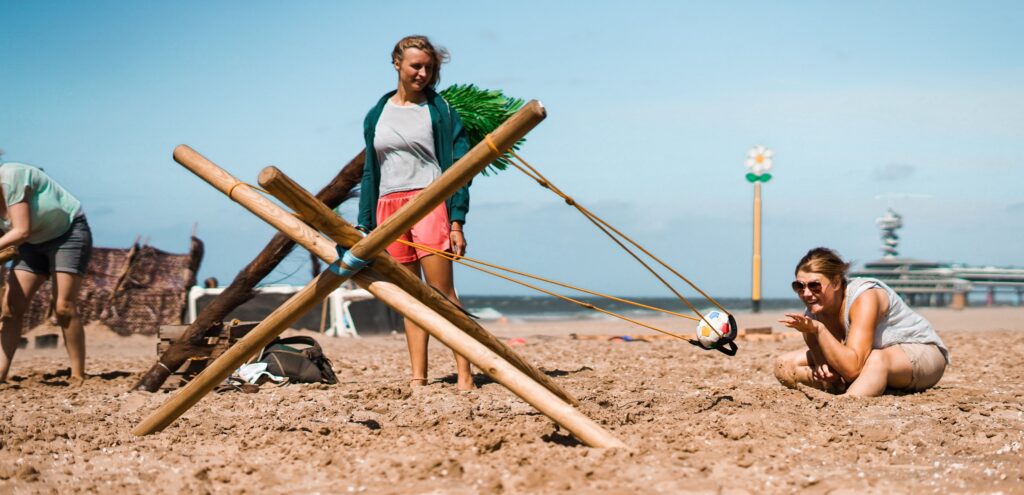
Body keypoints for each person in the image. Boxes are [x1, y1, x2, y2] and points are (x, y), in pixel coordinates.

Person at [356, 35, 474, 390]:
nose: (422, 73)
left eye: (428, 68)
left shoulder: (440, 111)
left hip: (428, 202)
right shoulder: (377, 113)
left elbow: (459, 168)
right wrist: (366, 223)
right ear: (397, 64)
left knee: (441, 293)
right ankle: (418, 378)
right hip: (388, 207)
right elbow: (370, 171)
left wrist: (456, 220)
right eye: (416, 66)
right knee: (408, 297)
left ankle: (465, 375)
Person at [774, 247, 949, 396]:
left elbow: (852, 369)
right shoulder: (812, 314)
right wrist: (828, 373)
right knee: (784, 364)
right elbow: (832, 366)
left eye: (814, 286)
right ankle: (868, 385)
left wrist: (819, 330)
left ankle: (848, 401)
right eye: (799, 287)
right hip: (862, 357)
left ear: (836, 282)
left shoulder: (865, 296)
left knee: (877, 358)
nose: (806, 294)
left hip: (921, 354)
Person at [0, 161, 92, 385]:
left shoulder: (11, 176)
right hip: (30, 246)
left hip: (67, 233)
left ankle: (78, 374)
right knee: (10, 309)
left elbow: (22, 230)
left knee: (63, 307)